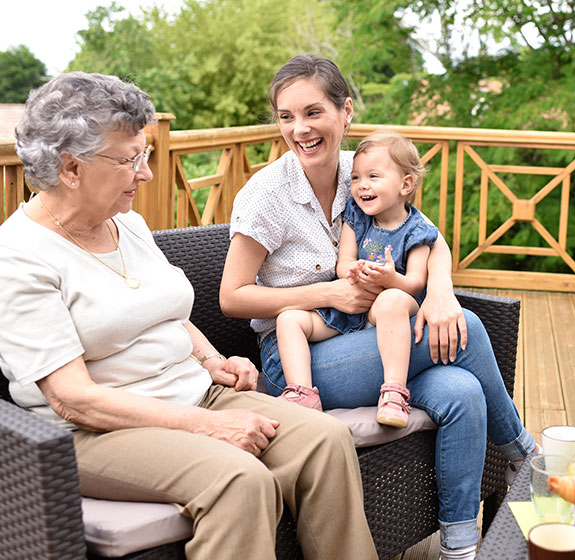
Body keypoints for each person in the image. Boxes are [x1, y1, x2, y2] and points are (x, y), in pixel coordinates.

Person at [0, 71, 377, 559]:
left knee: (324, 440)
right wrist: (206, 427)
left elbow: (165, 310)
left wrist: (212, 359)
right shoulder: (20, 256)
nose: (146, 173)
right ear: (72, 168)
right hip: (93, 432)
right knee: (237, 479)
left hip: (195, 392)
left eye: (146, 155)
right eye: (130, 158)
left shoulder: (126, 223)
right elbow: (75, 400)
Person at [219, 54, 537, 560]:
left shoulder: (362, 170)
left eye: (313, 112)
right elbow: (231, 296)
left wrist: (440, 293)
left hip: (372, 339)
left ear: (345, 111)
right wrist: (327, 293)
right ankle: (526, 458)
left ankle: (460, 547)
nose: (299, 129)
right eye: (286, 116)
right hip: (299, 357)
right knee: (470, 330)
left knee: (462, 389)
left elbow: (428, 238)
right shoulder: (266, 195)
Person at [275, 130, 438, 429]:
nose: (362, 185)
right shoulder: (358, 216)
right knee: (289, 319)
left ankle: (393, 393)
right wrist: (350, 271)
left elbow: (415, 283)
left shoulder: (417, 231)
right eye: (355, 178)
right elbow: (343, 262)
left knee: (391, 301)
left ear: (406, 184)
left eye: (373, 177)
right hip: (349, 307)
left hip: (386, 310)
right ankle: (302, 394)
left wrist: (391, 279)